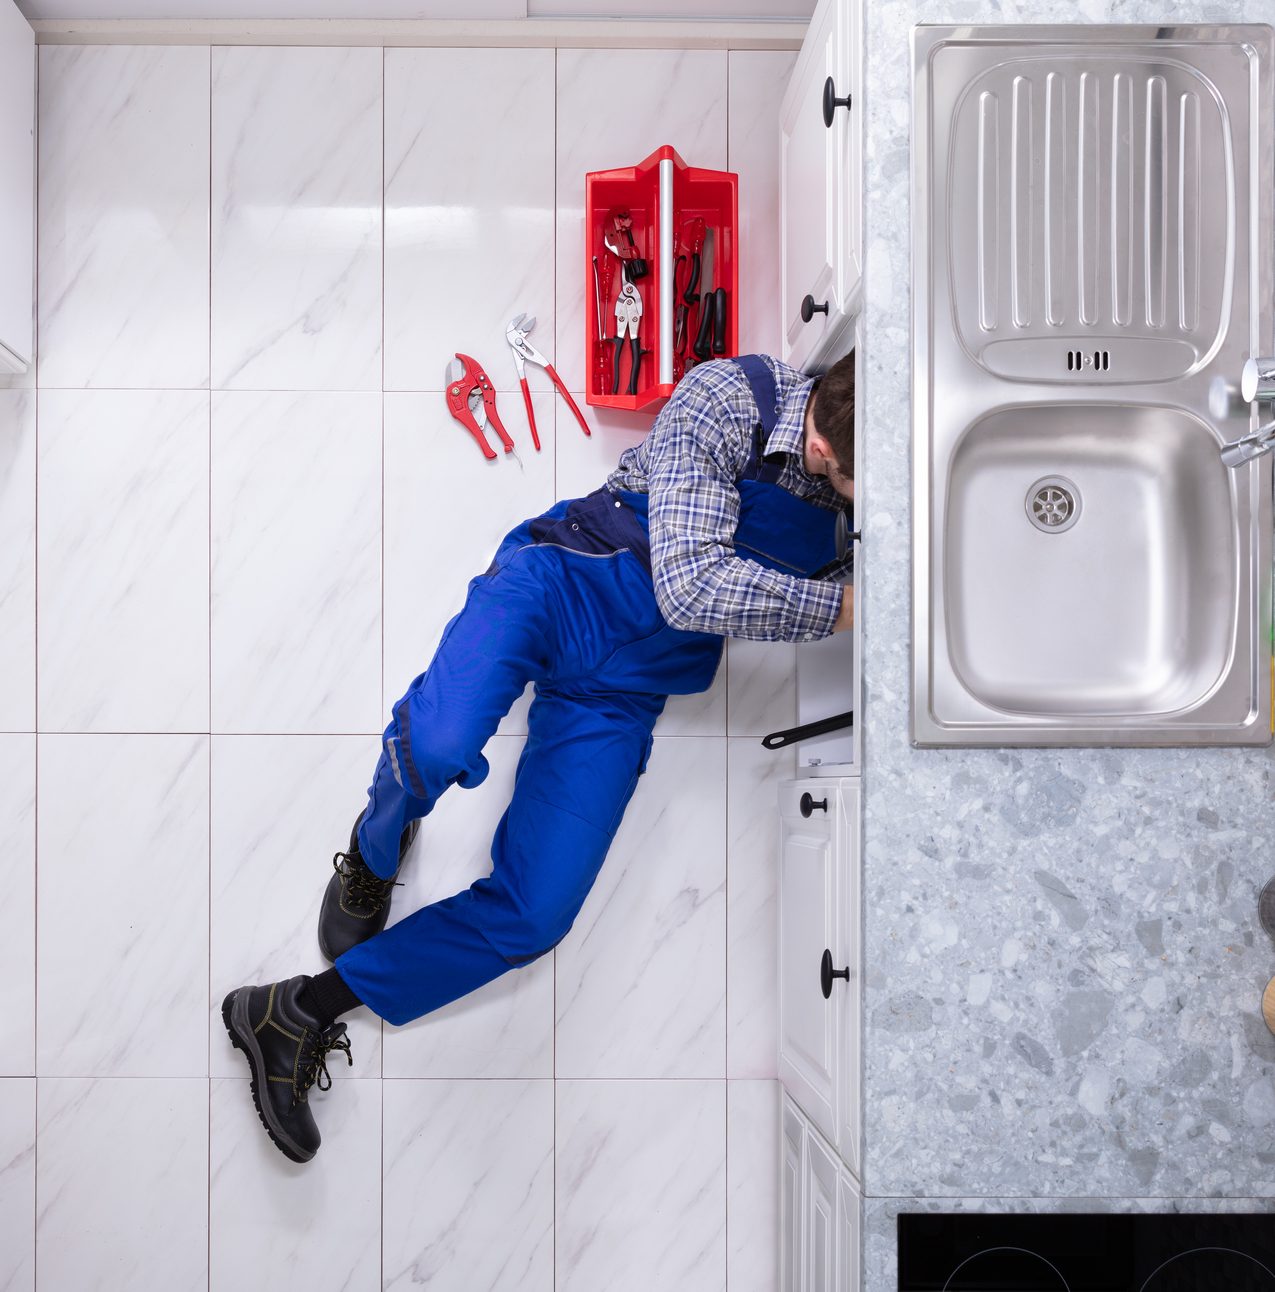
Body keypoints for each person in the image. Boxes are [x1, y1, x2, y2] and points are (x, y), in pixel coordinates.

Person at [220, 350, 857, 1163]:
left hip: (621, 690)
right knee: (439, 743)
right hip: (556, 586)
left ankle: (292, 1013)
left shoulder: (853, 500)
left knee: (537, 913)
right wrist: (846, 601)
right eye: (836, 463)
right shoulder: (732, 396)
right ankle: (373, 856)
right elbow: (692, 590)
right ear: (829, 423)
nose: (835, 480)